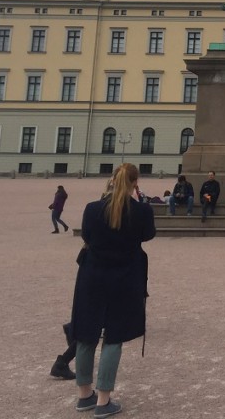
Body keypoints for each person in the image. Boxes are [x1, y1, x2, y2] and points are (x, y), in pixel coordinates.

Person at [70, 163, 155, 416]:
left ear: (111, 180)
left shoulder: (92, 209)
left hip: (92, 275)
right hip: (124, 277)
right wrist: (139, 202)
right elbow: (148, 235)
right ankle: (104, 400)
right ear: (135, 183)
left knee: (86, 334)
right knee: (114, 336)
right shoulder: (141, 211)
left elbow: (87, 235)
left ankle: (84, 395)